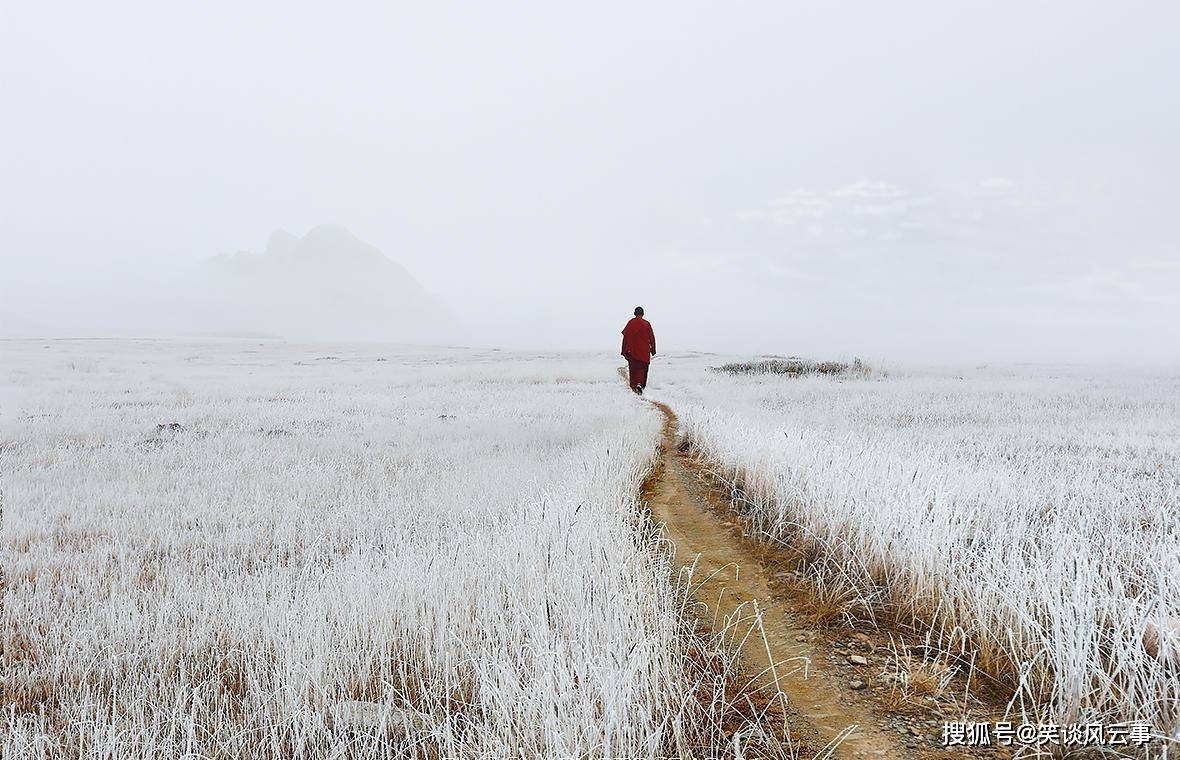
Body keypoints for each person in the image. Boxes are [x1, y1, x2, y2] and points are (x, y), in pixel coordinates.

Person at [621, 306, 656, 394]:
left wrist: (624, 349)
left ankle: (633, 386)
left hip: (631, 351)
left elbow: (625, 336)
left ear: (634, 313)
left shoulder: (630, 323)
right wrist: (653, 349)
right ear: (643, 314)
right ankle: (640, 384)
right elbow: (652, 337)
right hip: (644, 351)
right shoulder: (646, 324)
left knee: (633, 369)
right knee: (642, 369)